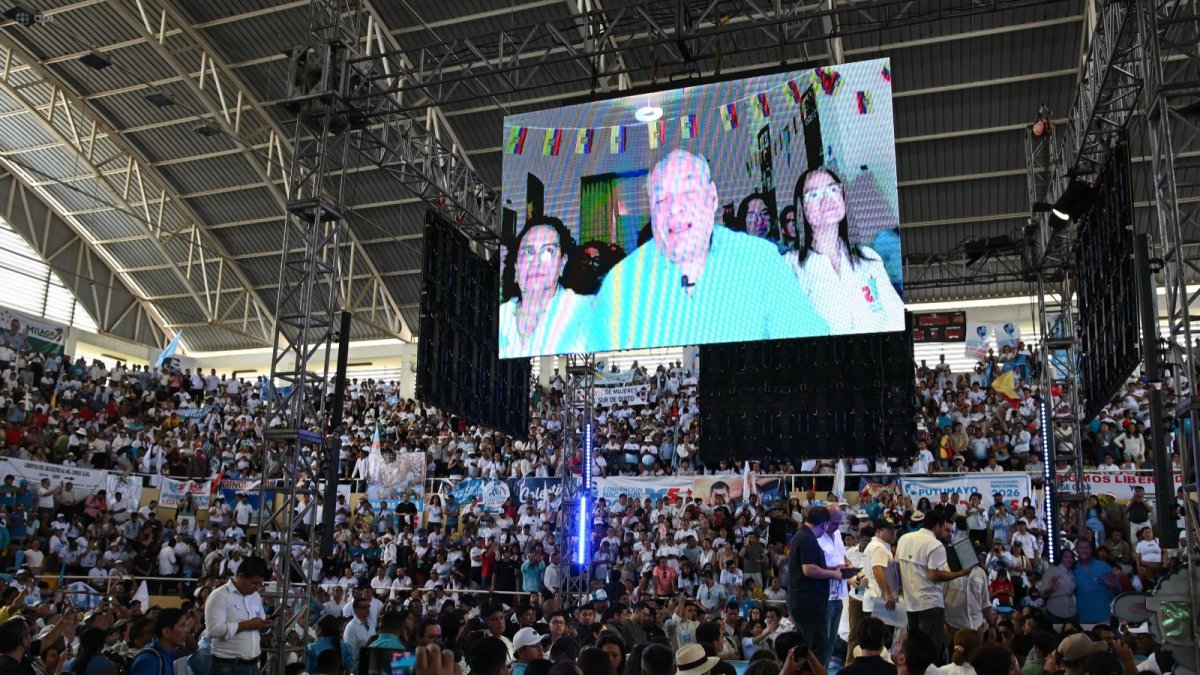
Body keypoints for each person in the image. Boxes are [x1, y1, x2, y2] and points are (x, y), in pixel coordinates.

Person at [590, 149, 828, 351]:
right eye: (661, 200)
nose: (675, 209)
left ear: (712, 198)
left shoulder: (760, 260)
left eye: (688, 193)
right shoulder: (621, 283)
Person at [784, 166, 904, 334]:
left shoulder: (868, 258)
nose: (826, 199)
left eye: (833, 189)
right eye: (814, 194)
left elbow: (897, 317)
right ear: (801, 209)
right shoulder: (789, 268)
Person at [498, 216, 589, 358]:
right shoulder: (500, 318)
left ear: (562, 263)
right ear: (516, 267)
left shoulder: (584, 314)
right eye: (528, 252)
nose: (536, 262)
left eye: (547, 251)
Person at [894, 507, 973, 665]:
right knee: (930, 647)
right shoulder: (935, 545)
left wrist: (901, 586)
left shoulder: (904, 539)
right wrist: (960, 573)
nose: (943, 531)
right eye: (943, 528)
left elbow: (897, 566)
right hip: (930, 604)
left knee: (914, 647)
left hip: (911, 603)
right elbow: (934, 575)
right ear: (937, 526)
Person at [787, 505, 841, 665]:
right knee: (818, 648)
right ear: (824, 524)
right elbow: (808, 570)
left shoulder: (802, 535)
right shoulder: (807, 538)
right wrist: (833, 574)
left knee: (807, 646)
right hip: (807, 602)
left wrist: (833, 569)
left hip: (803, 600)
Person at [204, 555, 271, 675]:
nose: (257, 588)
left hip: (253, 664)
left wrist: (264, 626)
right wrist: (247, 625)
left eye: (260, 584)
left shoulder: (255, 596)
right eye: (254, 583)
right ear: (241, 576)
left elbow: (258, 623)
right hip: (228, 666)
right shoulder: (220, 595)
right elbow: (213, 630)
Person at [129, 608, 188, 675]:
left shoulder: (169, 653)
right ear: (166, 632)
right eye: (182, 626)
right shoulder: (148, 660)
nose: (187, 630)